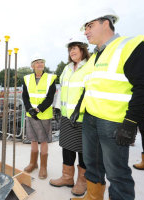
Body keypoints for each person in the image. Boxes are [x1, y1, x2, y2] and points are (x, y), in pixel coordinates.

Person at [70, 8, 144, 200]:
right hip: (91, 119)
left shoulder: (132, 45)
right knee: (93, 166)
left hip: (114, 123)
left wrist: (131, 122)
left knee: (117, 174)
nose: (85, 31)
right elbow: (90, 85)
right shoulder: (97, 55)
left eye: (89, 26)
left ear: (105, 23)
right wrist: (78, 108)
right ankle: (93, 196)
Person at [49, 34, 90, 197]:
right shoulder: (67, 68)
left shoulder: (89, 66)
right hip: (67, 117)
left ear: (83, 49)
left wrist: (79, 109)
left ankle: (82, 181)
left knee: (83, 151)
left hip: (82, 117)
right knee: (67, 147)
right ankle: (67, 177)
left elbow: (89, 90)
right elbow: (62, 89)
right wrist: (57, 108)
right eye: (70, 49)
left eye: (74, 48)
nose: (71, 52)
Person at [22, 56, 57, 179]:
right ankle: (33, 163)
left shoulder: (50, 78)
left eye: (42, 62)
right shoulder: (27, 79)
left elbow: (50, 98)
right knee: (33, 139)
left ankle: (43, 167)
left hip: (44, 114)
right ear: (32, 66)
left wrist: (38, 109)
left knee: (43, 140)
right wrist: (29, 109)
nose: (40, 64)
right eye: (37, 63)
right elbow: (25, 96)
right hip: (30, 114)